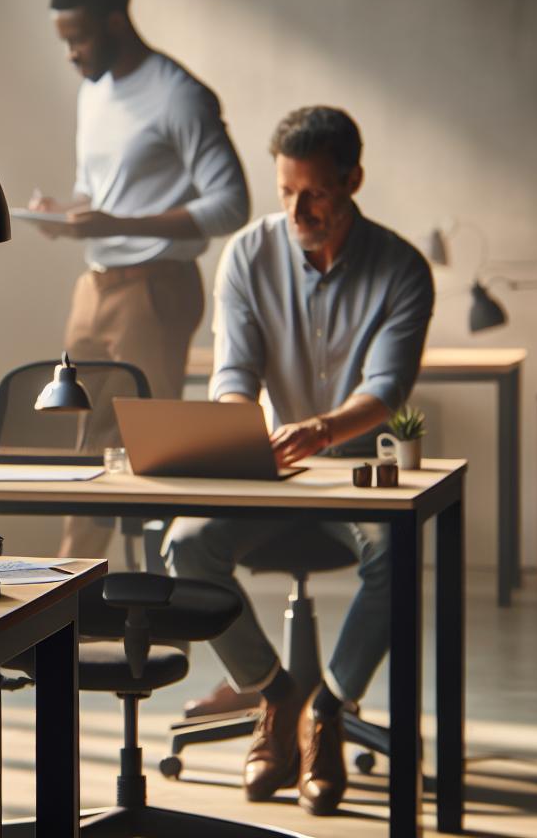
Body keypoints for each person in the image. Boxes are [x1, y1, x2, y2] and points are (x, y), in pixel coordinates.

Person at [164, 106, 434, 816]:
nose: (296, 208)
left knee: (399, 556)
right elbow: (233, 377)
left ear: (353, 181)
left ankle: (330, 709)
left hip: (358, 472)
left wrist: (322, 429)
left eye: (312, 192)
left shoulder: (401, 267)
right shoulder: (249, 256)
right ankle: (276, 697)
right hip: (272, 466)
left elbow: (387, 388)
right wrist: (231, 432)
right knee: (185, 545)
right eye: (284, 191)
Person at [32, 0, 250, 559]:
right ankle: (73, 606)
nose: (72, 54)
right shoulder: (93, 91)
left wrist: (117, 224)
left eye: (78, 38)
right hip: (95, 285)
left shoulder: (180, 96)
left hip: (156, 287)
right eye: (64, 42)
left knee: (154, 451)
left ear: (115, 22)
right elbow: (98, 195)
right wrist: (63, 214)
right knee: (88, 448)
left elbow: (232, 204)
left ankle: (159, 613)